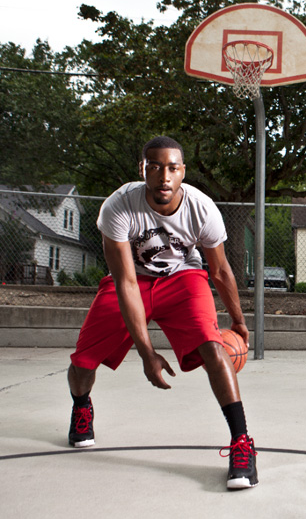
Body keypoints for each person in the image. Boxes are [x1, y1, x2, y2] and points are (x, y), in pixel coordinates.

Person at [66, 135, 258, 490]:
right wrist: (146, 352)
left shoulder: (202, 208)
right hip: (133, 280)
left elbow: (221, 272)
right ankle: (81, 406)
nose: (163, 177)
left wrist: (239, 321)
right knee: (82, 363)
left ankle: (242, 443)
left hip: (183, 278)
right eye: (154, 167)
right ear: (143, 170)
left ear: (182, 172)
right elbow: (125, 281)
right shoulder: (118, 206)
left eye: (172, 168)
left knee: (214, 348)